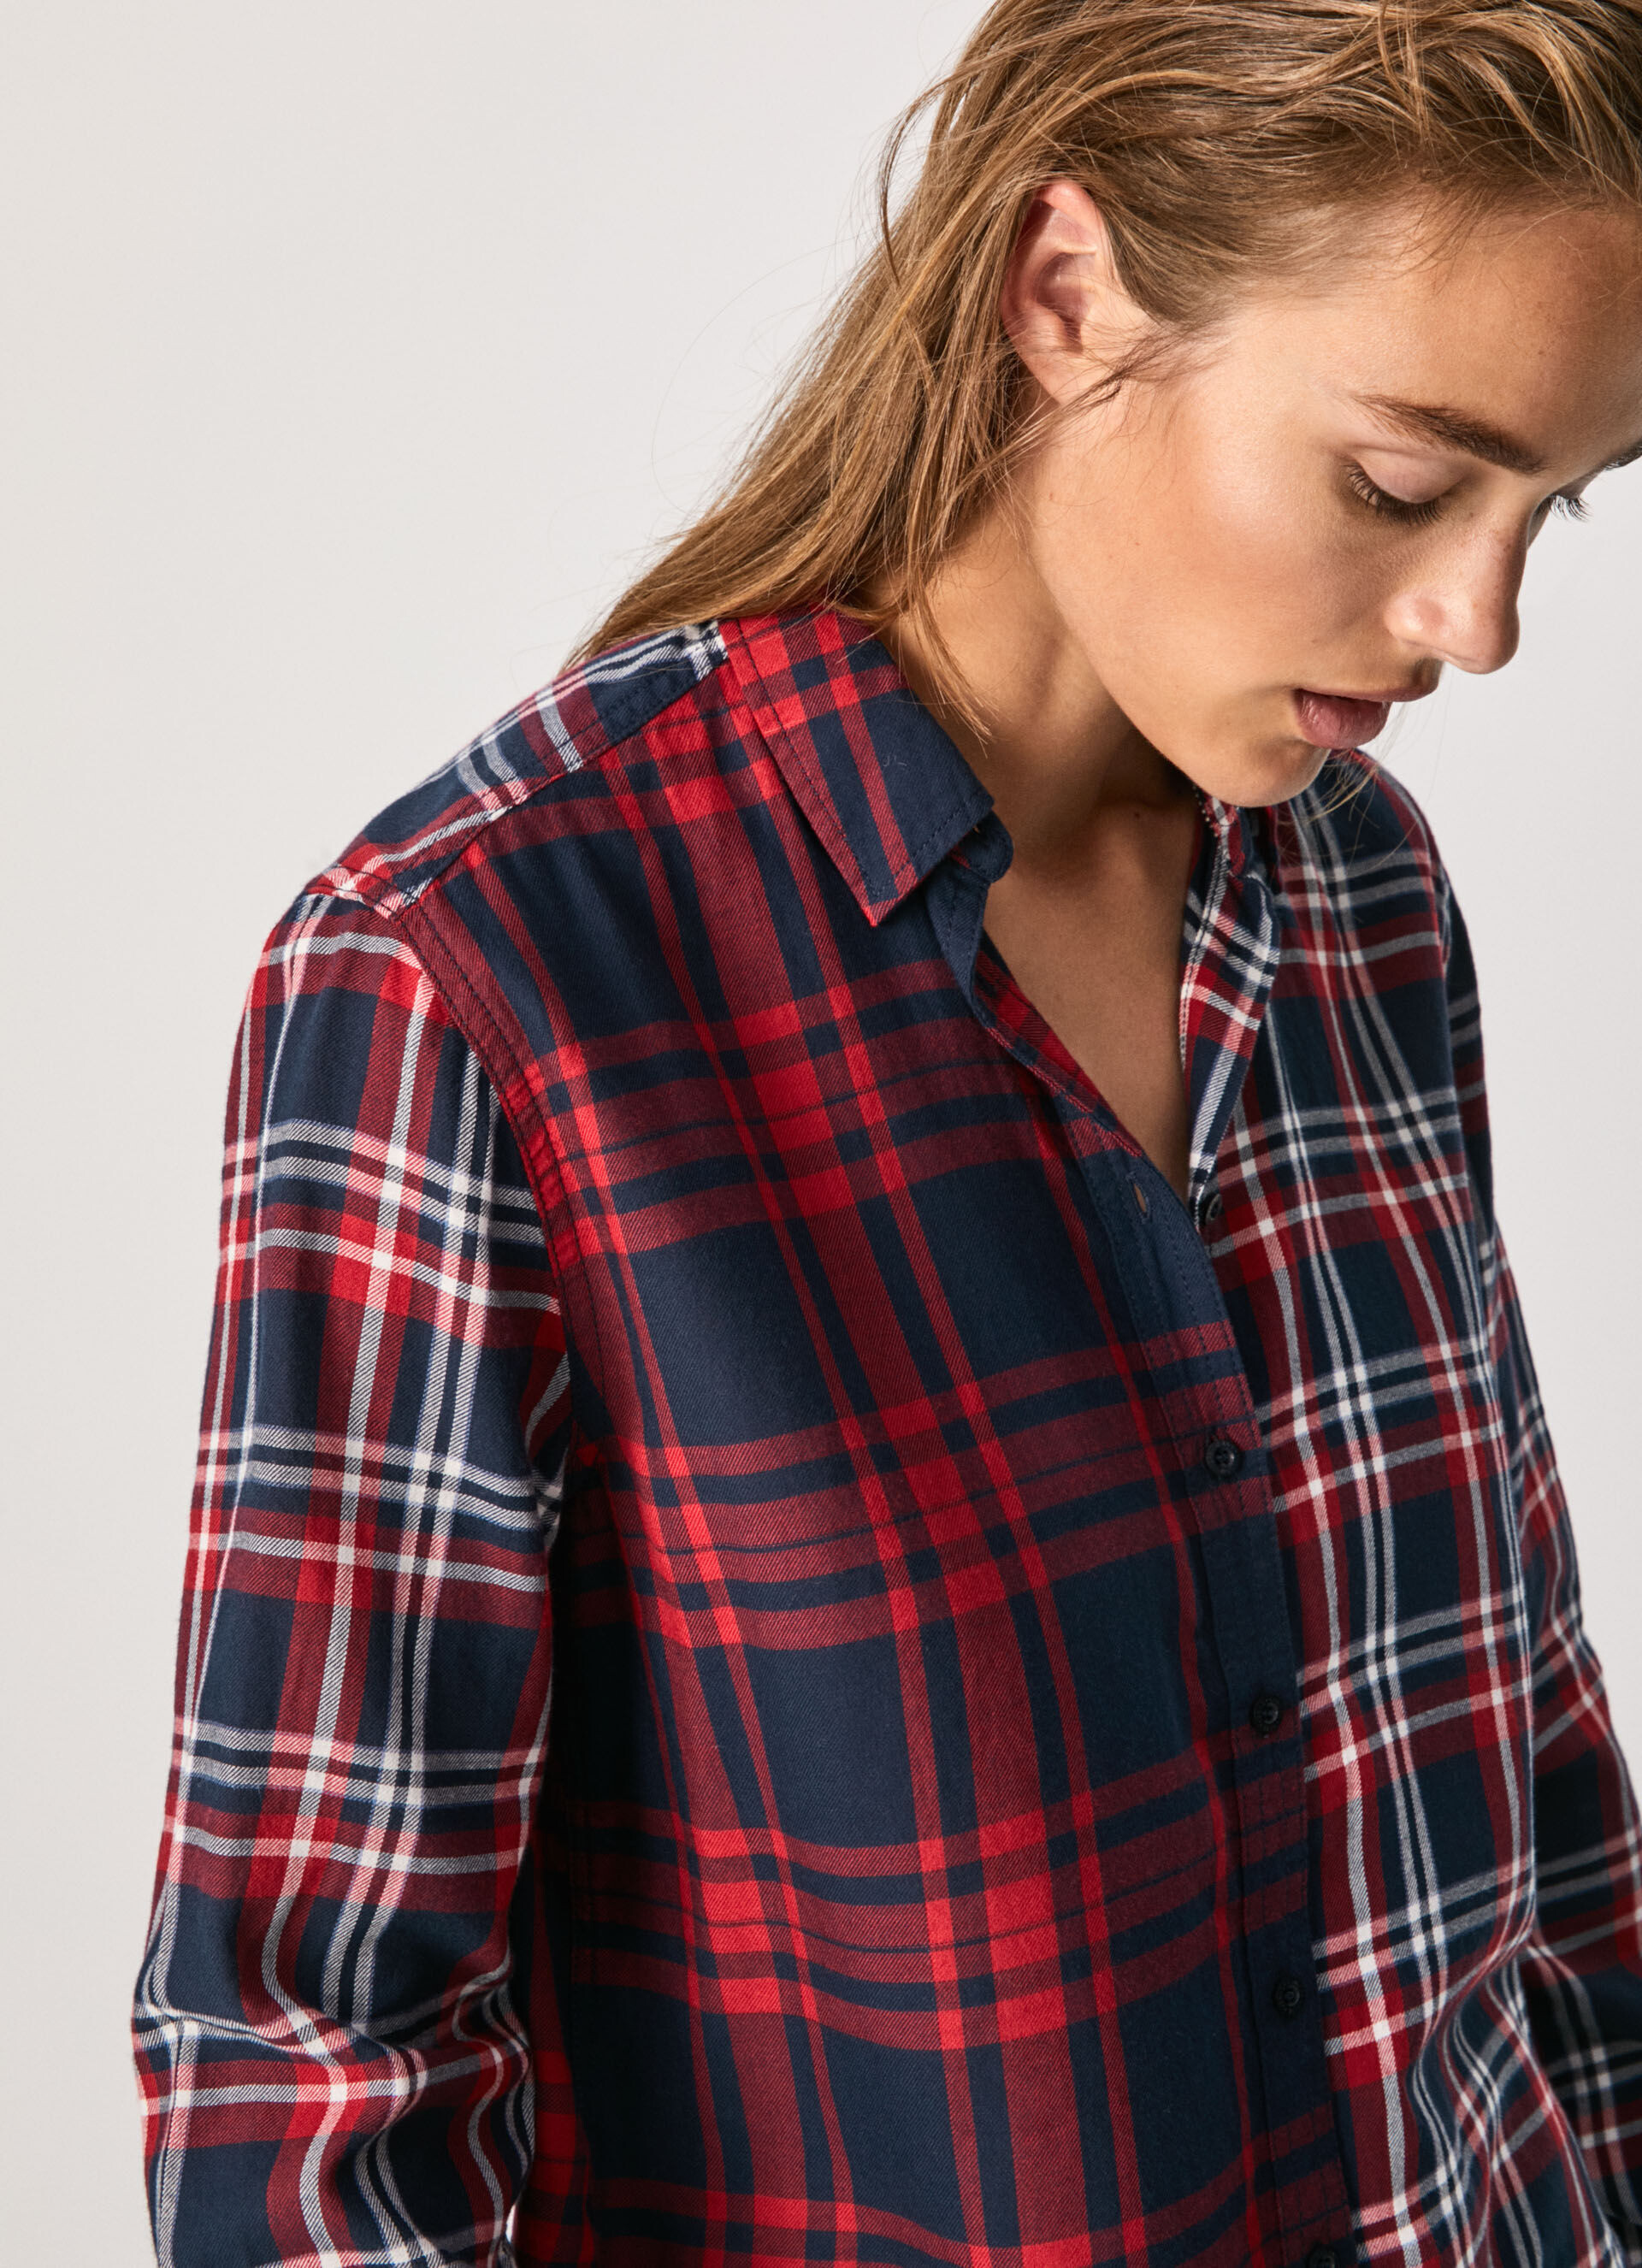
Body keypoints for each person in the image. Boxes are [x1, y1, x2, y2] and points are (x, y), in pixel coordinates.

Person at [132, 1, 1642, 2262]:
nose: (1481, 623)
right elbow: (314, 2065)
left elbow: (1519, 1757)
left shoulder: (1365, 903)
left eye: (1562, 502)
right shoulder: (482, 976)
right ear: (1066, 293)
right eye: (1408, 485)